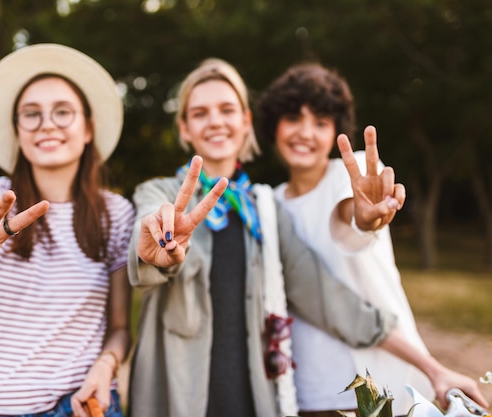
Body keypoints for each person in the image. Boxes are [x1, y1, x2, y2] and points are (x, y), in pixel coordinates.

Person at [127, 58, 488, 417]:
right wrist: (156, 250)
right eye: (200, 113)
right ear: (184, 127)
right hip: (175, 393)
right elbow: (148, 230)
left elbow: (332, 302)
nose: (216, 121)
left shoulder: (265, 209)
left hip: (250, 397)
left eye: (227, 109)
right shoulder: (159, 194)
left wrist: (434, 368)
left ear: (245, 122)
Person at [256, 62, 490, 416]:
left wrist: (366, 220)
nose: (305, 132)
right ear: (274, 125)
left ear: (337, 130)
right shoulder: (268, 202)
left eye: (320, 122)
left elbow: (352, 222)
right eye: (293, 118)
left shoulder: (353, 177)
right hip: (305, 388)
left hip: (378, 378)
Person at [0, 43, 134, 417]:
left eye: (63, 112)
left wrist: (105, 367)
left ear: (89, 128)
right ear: (18, 130)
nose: (46, 123)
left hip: (81, 404)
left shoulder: (116, 214)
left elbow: (121, 327)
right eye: (31, 114)